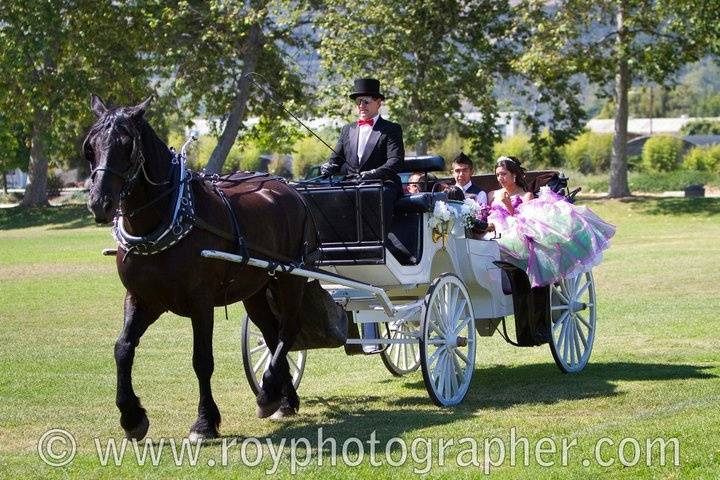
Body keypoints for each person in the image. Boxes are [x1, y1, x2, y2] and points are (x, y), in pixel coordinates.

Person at [487, 156, 616, 288]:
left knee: (513, 244)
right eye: (497, 175)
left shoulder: (526, 195)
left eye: (503, 174)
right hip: (492, 229)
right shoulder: (492, 194)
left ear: (514, 175)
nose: (500, 178)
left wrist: (508, 204)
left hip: (514, 233)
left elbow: (524, 221)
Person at [320, 78, 404, 237]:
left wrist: (373, 173)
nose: (361, 106)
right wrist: (328, 166)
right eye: (358, 102)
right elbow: (335, 160)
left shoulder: (391, 129)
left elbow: (395, 161)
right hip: (353, 182)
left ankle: (377, 241)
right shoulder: (347, 130)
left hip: (382, 183)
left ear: (378, 103)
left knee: (379, 194)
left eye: (365, 101)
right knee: (325, 196)